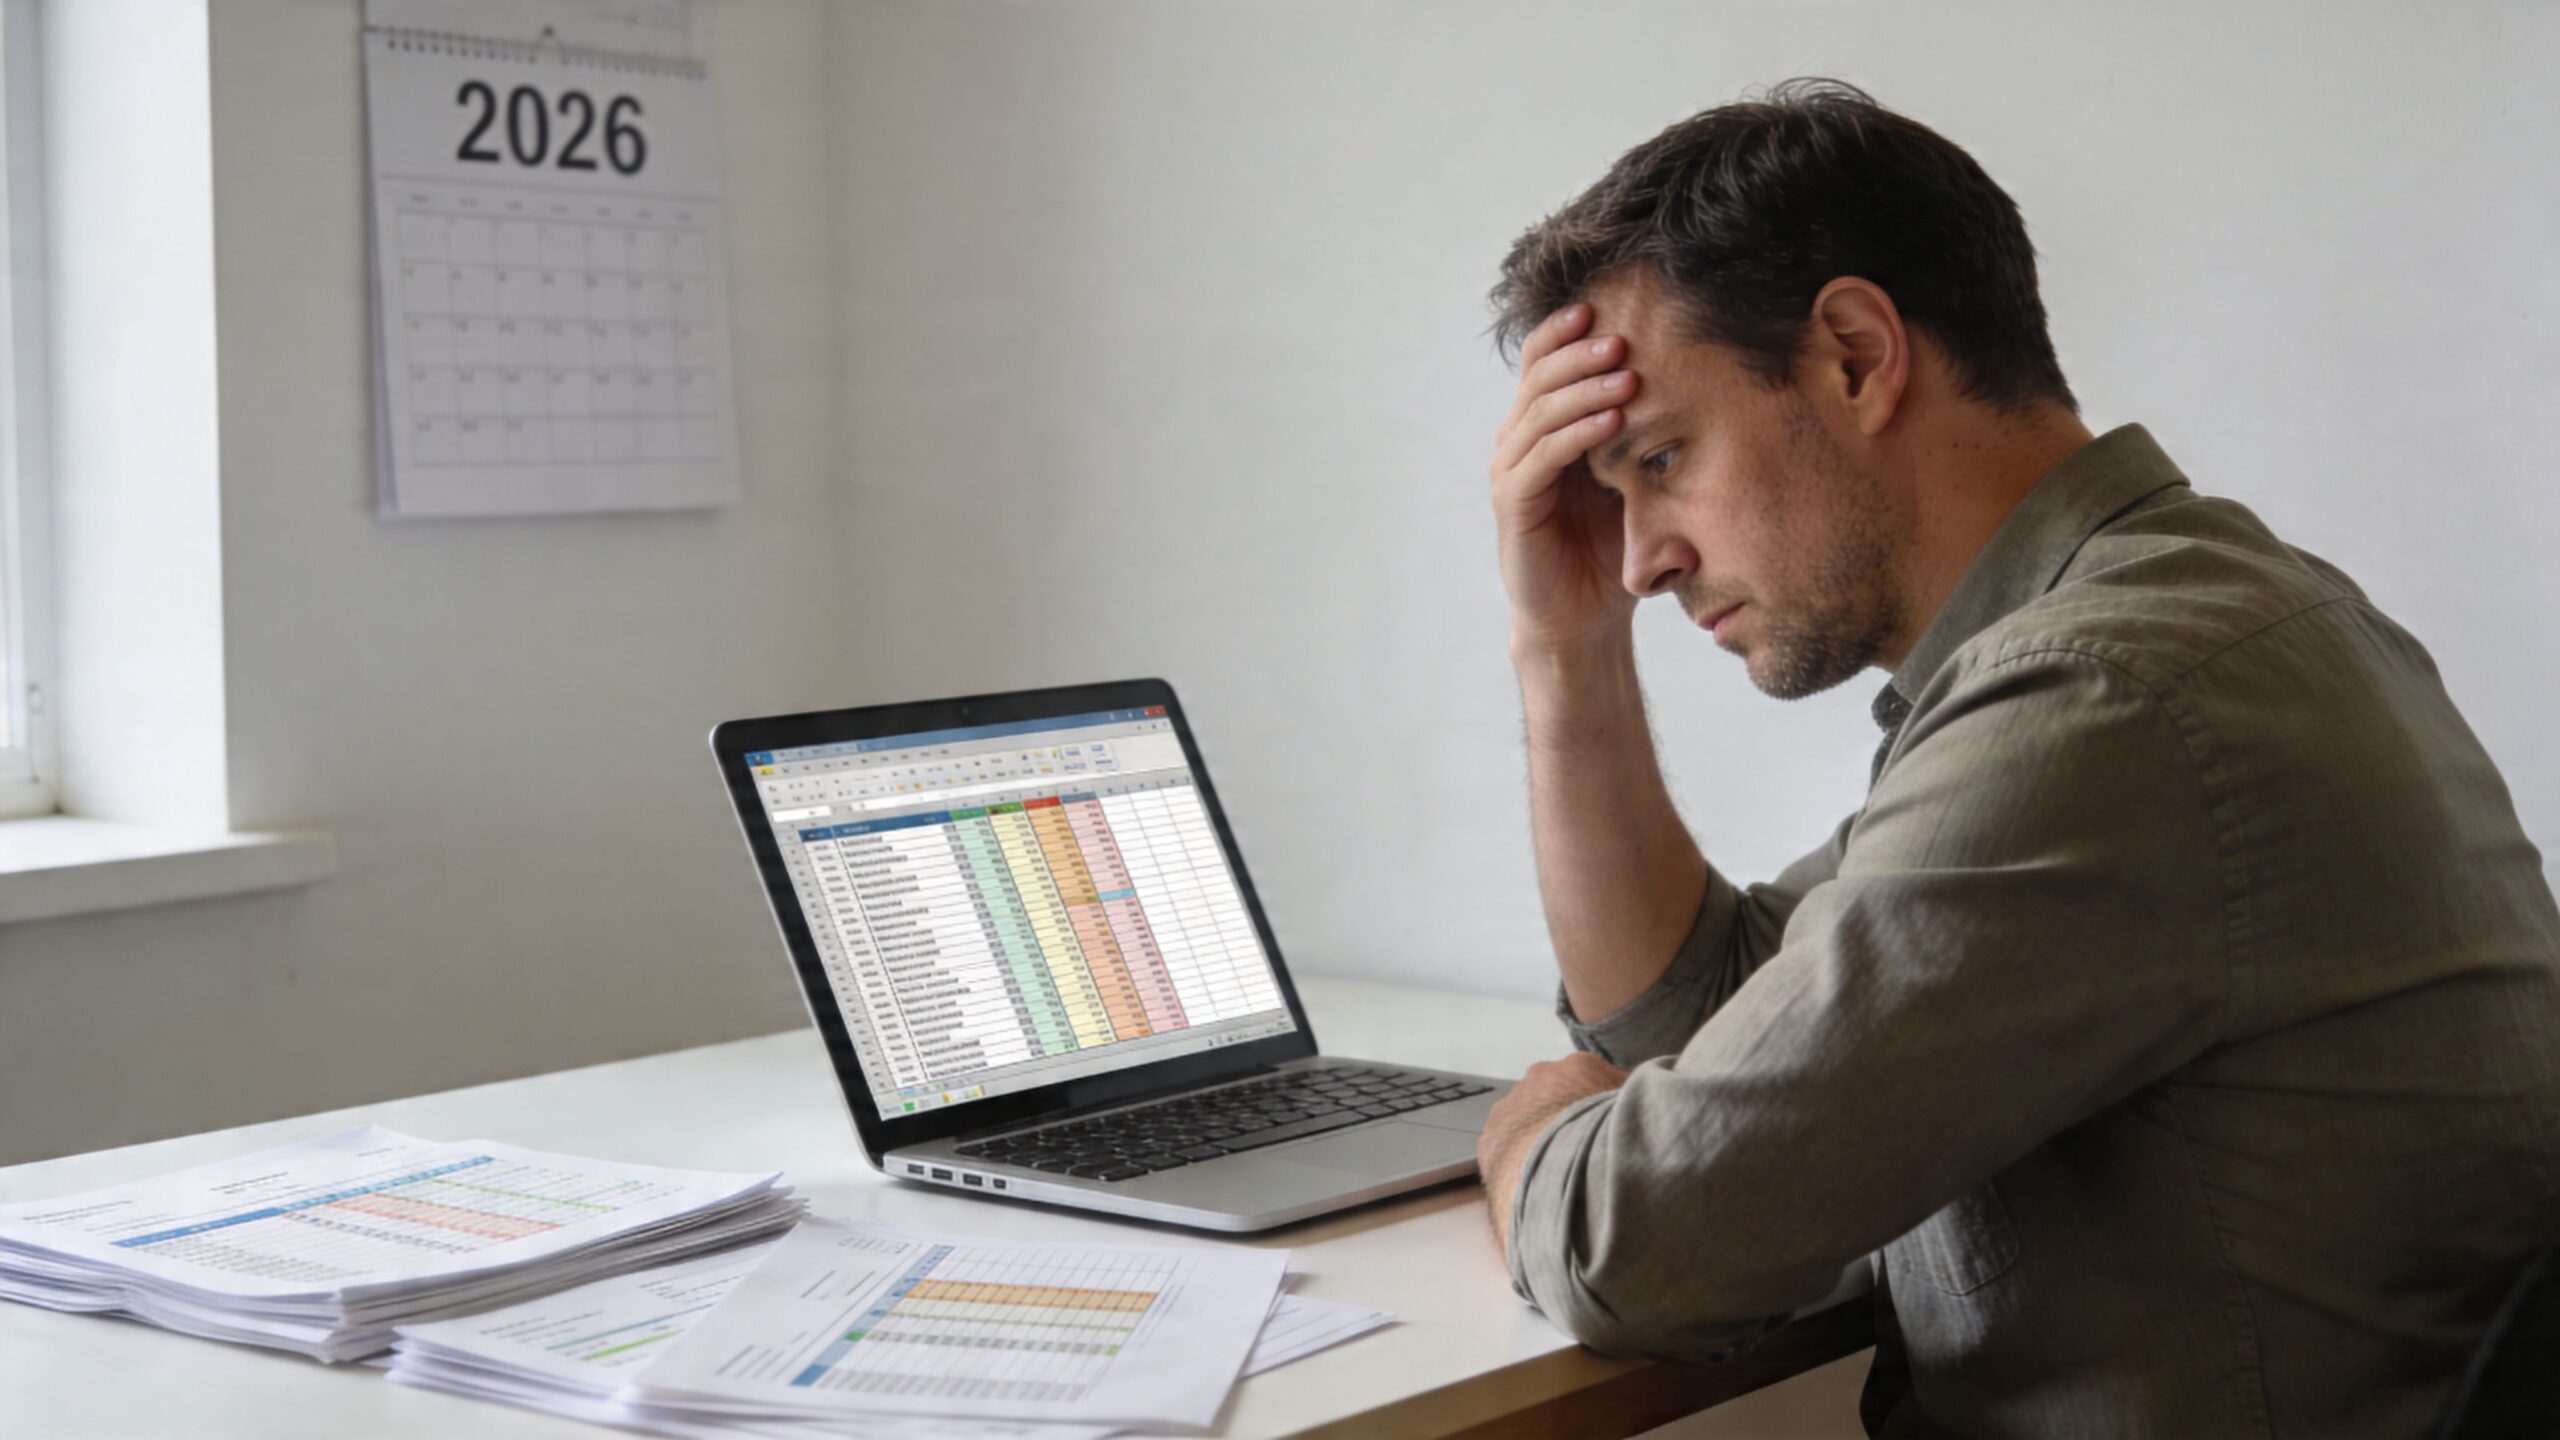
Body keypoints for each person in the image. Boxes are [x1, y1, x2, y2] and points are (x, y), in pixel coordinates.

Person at [1474, 78, 2560, 1436]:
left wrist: (1527, 1142)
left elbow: (1640, 1250)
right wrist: (1563, 653)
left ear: (1857, 355)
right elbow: (1703, 1013)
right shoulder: (2179, 626)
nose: (1642, 563)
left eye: (1664, 458)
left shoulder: (2109, 703)